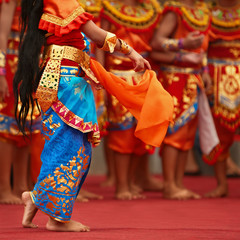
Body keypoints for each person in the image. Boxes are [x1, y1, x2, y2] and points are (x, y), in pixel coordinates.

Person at [14, 0, 173, 232]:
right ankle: (57, 219)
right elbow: (99, 36)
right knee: (71, 147)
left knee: (65, 144)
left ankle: (37, 198)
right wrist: (132, 52)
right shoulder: (62, 2)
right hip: (66, 82)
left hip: (64, 79)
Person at [97, 0, 162, 200]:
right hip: (118, 76)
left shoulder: (151, 9)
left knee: (139, 132)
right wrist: (101, 73)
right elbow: (100, 43)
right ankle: (121, 186)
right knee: (121, 132)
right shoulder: (108, 8)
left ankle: (131, 181)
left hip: (143, 78)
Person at [150, 0, 213, 200]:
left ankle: (178, 183)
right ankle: (169, 184)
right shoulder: (174, 11)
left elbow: (202, 50)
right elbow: (156, 43)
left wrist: (204, 72)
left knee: (187, 135)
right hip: (174, 78)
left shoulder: (202, 11)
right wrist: (182, 44)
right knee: (174, 132)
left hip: (194, 78)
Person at [0, 0, 40, 204]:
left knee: (29, 123)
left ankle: (21, 186)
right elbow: (1, 34)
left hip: (30, 64)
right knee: (7, 126)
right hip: (11, 62)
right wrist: (0, 72)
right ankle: (4, 187)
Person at [205, 0, 240, 197]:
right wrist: (204, 71)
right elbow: (201, 48)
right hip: (217, 74)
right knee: (220, 131)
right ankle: (221, 184)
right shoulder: (207, 12)